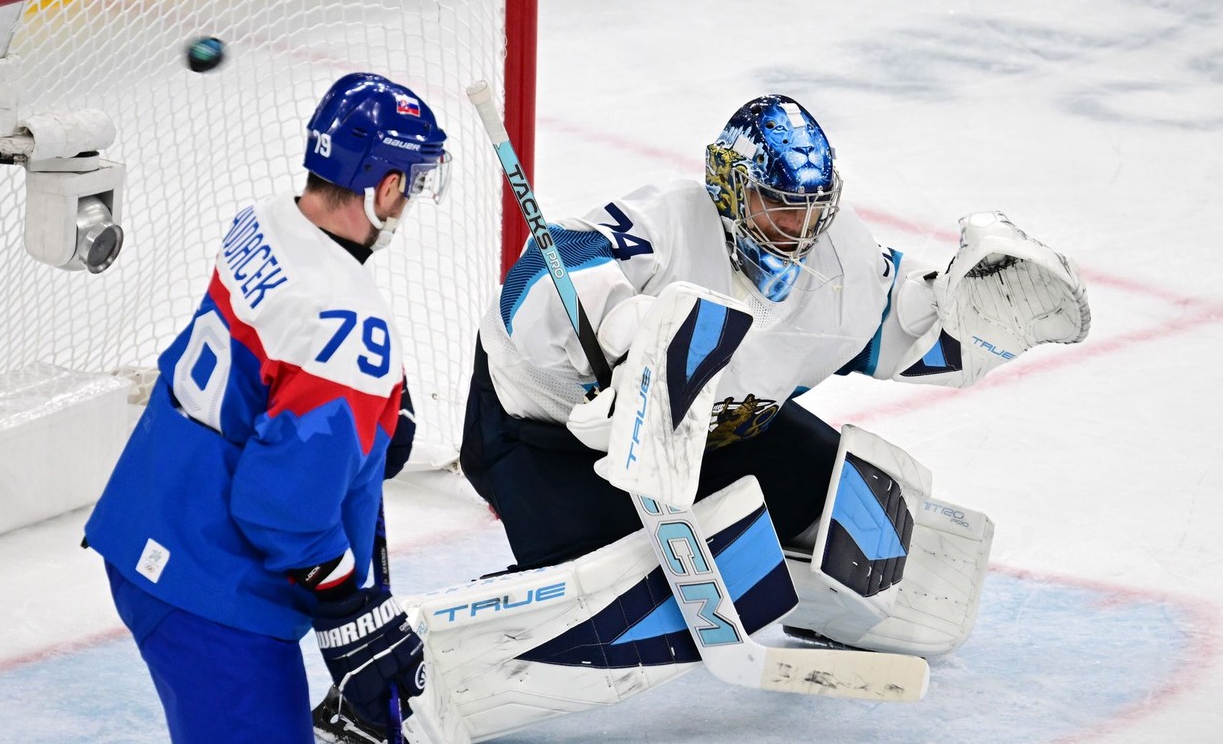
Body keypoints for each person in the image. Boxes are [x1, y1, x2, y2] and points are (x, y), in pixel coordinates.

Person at [457, 93, 1089, 650]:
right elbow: (535, 280)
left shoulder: (843, 259)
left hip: (717, 432)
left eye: (812, 210)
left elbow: (901, 332)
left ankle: (818, 609)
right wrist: (627, 336)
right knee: (611, 586)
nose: (798, 231)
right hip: (550, 437)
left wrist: (967, 309)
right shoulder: (669, 222)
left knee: (859, 508)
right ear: (731, 190)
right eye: (779, 208)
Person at [83, 72, 450, 744]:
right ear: (387, 186)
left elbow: (273, 369)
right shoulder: (347, 324)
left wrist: (373, 422)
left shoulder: (264, 220)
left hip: (146, 520)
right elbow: (282, 506)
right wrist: (347, 608)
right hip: (208, 586)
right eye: (413, 184)